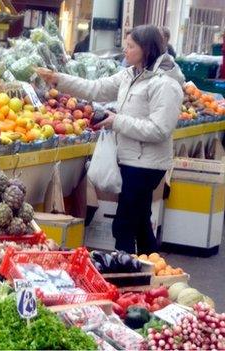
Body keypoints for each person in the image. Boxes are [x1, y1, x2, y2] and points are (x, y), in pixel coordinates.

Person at [36, 25, 184, 254]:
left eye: (131, 46)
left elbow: (160, 129)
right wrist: (58, 79)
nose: (125, 50)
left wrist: (117, 121)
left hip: (147, 164)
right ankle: (151, 272)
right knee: (141, 222)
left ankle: (122, 274)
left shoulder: (165, 84)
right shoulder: (130, 74)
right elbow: (96, 89)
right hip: (131, 159)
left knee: (124, 224)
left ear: (146, 49)